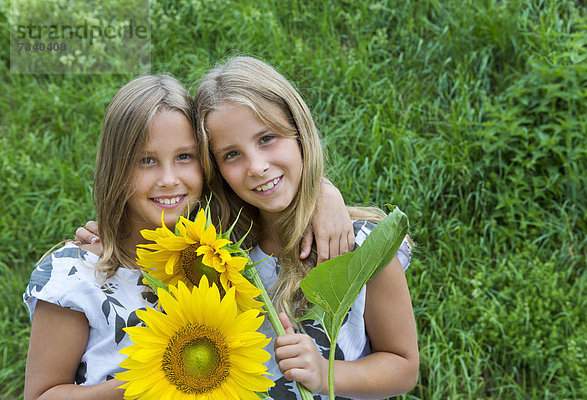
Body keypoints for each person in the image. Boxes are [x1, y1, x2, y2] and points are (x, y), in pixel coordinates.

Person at [26, 74, 353, 400]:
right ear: (116, 169)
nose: (169, 179)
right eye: (146, 160)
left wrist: (322, 192)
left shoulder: (218, 253)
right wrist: (155, 378)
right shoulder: (79, 274)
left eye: (185, 157)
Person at [195, 56, 419, 399]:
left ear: (299, 133)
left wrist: (325, 373)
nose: (256, 166)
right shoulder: (220, 250)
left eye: (267, 138)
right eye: (231, 155)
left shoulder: (361, 247)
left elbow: (403, 368)